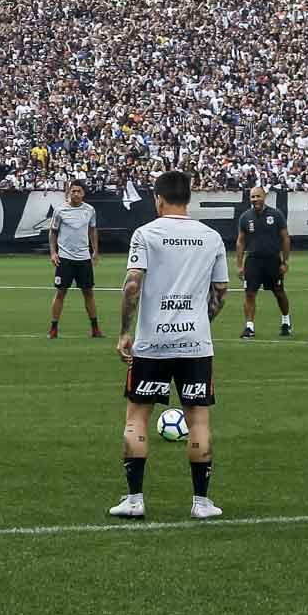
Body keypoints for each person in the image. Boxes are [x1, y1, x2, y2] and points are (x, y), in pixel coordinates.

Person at [110, 170, 229, 522]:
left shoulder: (146, 233)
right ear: (188, 198)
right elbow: (220, 293)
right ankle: (202, 502)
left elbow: (132, 285)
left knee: (137, 418)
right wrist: (200, 322)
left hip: (152, 343)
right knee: (199, 421)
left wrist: (124, 332)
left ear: (158, 198)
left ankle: (134, 500)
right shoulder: (211, 237)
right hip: (195, 343)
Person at [47, 180, 103, 339]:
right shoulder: (60, 211)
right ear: (69, 193)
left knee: (88, 293)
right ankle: (53, 328)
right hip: (65, 258)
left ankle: (95, 328)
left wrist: (95, 251)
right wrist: (53, 252)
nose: (76, 194)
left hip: (84, 258)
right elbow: (53, 232)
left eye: (79, 191)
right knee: (60, 293)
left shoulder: (90, 210)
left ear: (83, 193)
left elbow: (92, 230)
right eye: (73, 191)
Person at [236, 186, 291, 339]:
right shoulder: (245, 217)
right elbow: (240, 241)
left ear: (264, 196)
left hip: (273, 260)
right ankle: (249, 327)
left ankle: (286, 321)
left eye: (258, 196)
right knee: (250, 294)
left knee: (279, 293)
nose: (255, 200)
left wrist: (284, 261)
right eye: (253, 197)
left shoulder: (276, 214)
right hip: (253, 260)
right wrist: (240, 265)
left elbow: (285, 238)